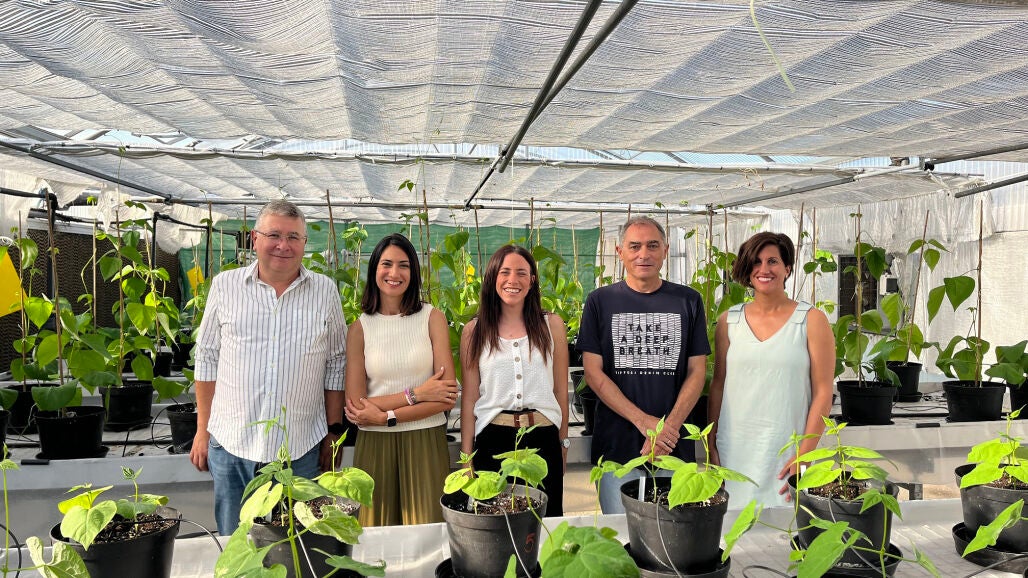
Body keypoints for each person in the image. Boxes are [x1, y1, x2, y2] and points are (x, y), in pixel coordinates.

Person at [190, 199, 347, 535]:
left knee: (296, 545)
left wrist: (334, 433)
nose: (283, 245)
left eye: (293, 237)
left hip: (301, 449)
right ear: (254, 239)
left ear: (305, 243)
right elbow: (207, 358)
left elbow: (336, 362)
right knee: (236, 543)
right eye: (274, 235)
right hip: (232, 446)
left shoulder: (325, 291)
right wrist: (202, 430)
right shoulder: (225, 286)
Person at [577, 216, 710, 514]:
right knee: (621, 531)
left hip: (673, 448)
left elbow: (697, 371)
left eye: (652, 246)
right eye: (634, 246)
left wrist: (667, 430)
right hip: (617, 448)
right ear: (619, 252)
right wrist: (644, 422)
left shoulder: (688, 301)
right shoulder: (599, 301)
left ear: (665, 250)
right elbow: (593, 374)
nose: (643, 254)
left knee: (674, 531)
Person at [708, 231, 834, 509]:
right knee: (733, 525)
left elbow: (824, 392)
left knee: (788, 525)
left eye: (772, 261)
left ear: (787, 268)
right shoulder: (729, 321)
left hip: (788, 451)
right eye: (756, 262)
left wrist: (805, 455)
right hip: (735, 450)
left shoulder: (811, 320)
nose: (763, 269)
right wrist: (711, 444)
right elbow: (718, 384)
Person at [343, 233, 458, 526]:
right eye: (387, 264)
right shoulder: (359, 329)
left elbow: (446, 397)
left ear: (414, 272)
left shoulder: (432, 318)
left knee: (427, 531)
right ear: (374, 269)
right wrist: (417, 394)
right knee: (375, 531)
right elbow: (356, 407)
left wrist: (386, 416)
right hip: (374, 443)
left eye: (403, 265)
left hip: (425, 440)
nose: (394, 273)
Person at [459, 245, 570, 516]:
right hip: (492, 439)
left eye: (521, 273)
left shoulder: (552, 325)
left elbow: (560, 390)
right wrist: (466, 458)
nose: (513, 280)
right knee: (495, 523)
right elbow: (470, 399)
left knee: (544, 521)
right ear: (493, 277)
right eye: (505, 272)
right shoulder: (475, 331)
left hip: (542, 438)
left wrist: (563, 442)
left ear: (532, 280)